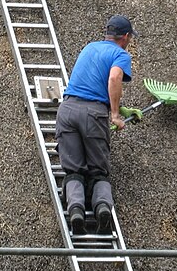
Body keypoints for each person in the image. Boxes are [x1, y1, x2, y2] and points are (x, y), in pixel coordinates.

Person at [56, 15, 136, 235]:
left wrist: (118, 107)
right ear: (126, 36)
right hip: (93, 114)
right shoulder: (121, 54)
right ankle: (102, 209)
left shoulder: (90, 47)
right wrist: (116, 114)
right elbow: (113, 79)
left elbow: (90, 84)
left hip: (67, 110)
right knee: (98, 170)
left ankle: (76, 212)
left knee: (73, 168)